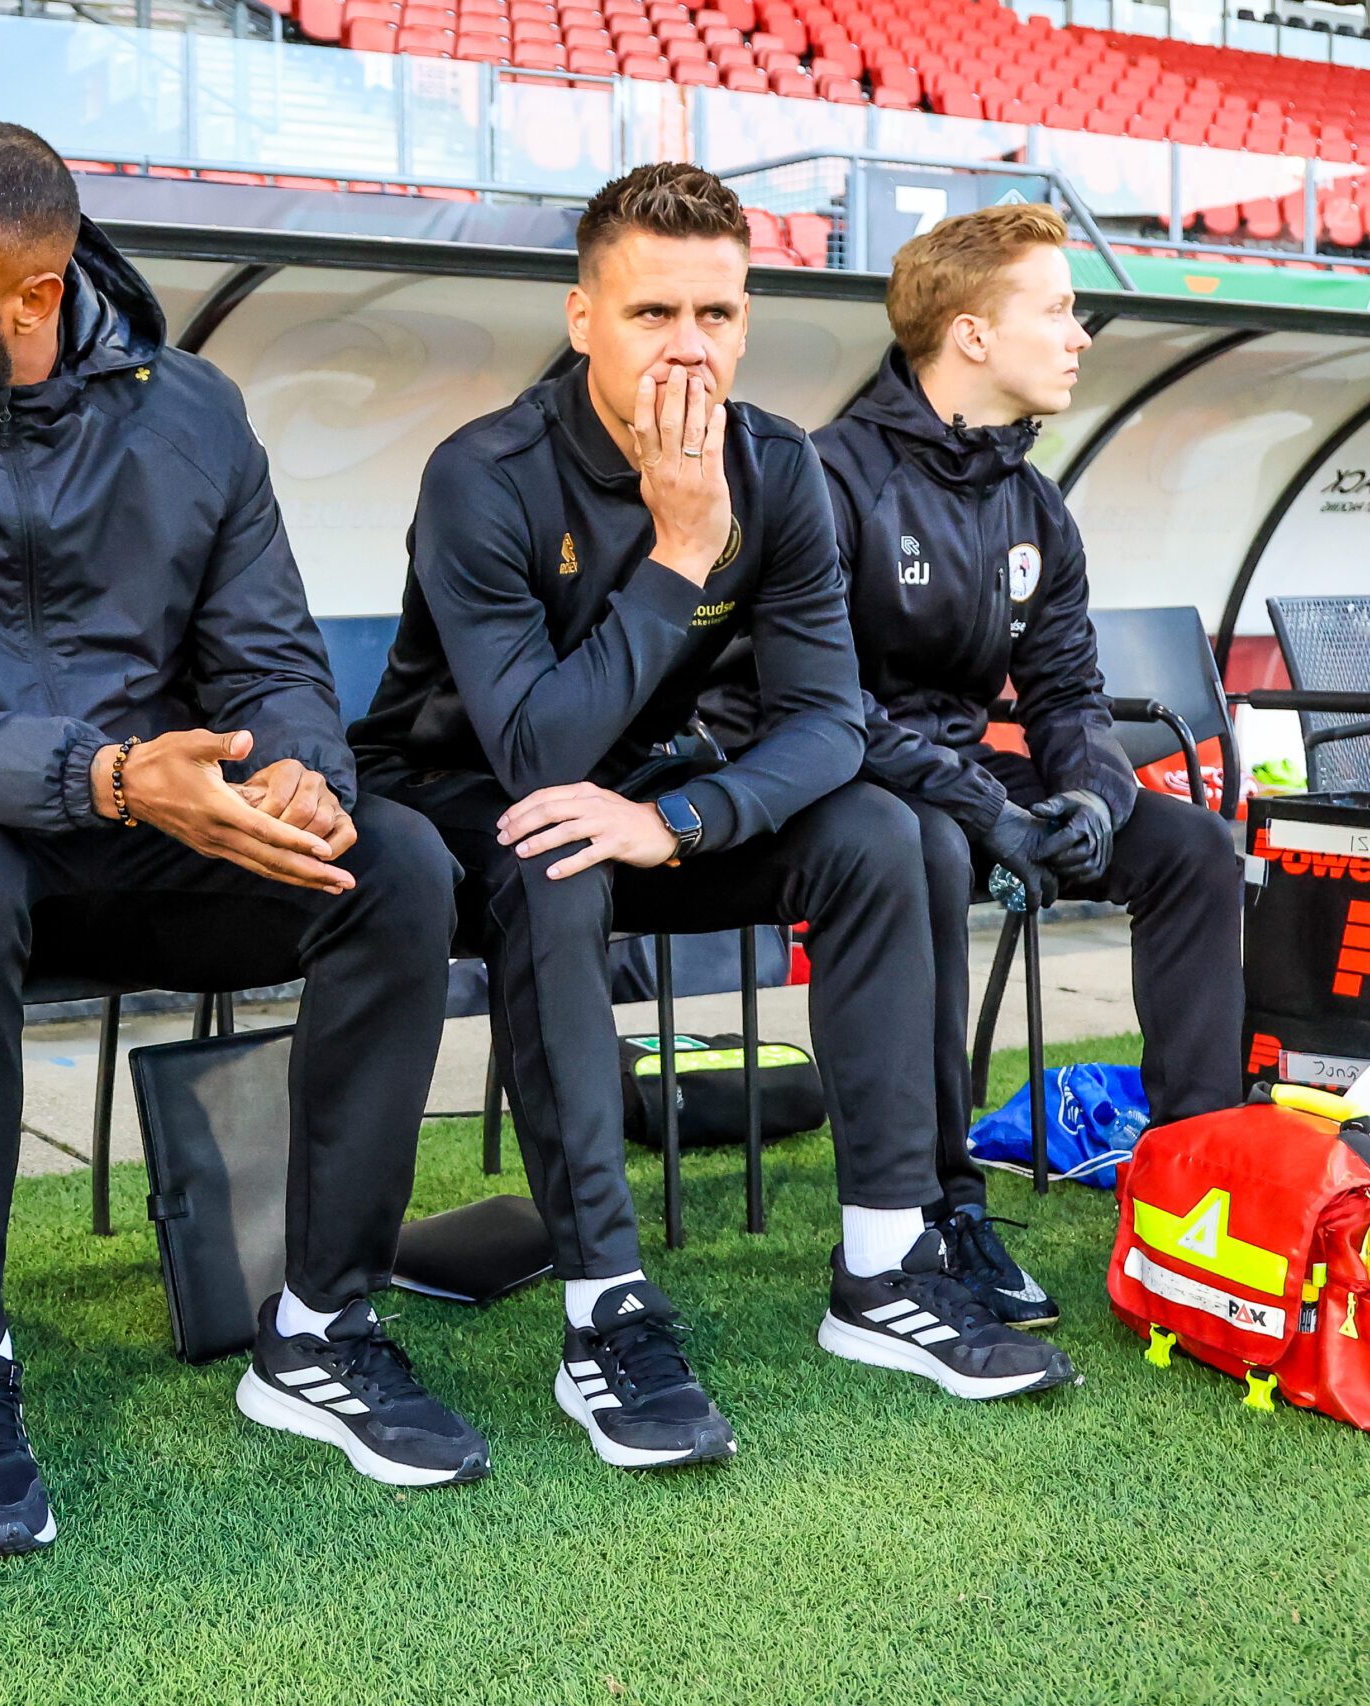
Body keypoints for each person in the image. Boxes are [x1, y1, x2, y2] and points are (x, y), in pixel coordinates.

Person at [0, 121, 481, 1556]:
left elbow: (269, 658)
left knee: (395, 863)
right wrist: (104, 773)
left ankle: (321, 1323)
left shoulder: (192, 413)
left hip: (158, 822)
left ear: (35, 299)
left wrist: (300, 776)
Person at [352, 163, 1077, 1476]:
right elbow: (535, 749)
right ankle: (605, 1310)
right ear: (583, 319)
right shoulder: (483, 473)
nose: (689, 347)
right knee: (557, 849)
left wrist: (679, 820)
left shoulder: (779, 464)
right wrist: (683, 552)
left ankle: (885, 1265)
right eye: (652, 314)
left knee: (884, 832)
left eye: (717, 314)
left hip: (654, 797)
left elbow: (827, 720)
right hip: (464, 799)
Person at [788, 203, 1243, 1325]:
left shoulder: (1034, 501)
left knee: (1192, 847)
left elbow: (1066, 693)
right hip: (848, 784)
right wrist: (985, 811)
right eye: (1057, 309)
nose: (1080, 335)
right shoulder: (828, 474)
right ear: (972, 334)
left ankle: (1197, 1181)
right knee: (930, 847)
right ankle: (941, 1205)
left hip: (969, 782)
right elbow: (822, 704)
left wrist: (1089, 794)